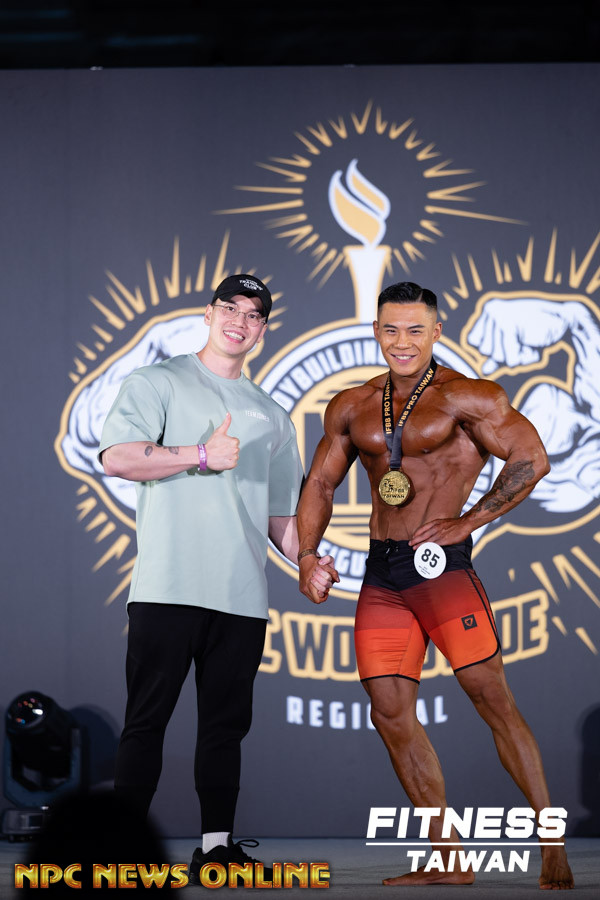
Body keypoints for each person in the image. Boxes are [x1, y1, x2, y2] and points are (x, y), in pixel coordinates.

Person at [297, 281, 574, 889]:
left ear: (436, 332)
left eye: (416, 330)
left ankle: (552, 844)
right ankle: (449, 857)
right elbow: (320, 483)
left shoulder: (467, 396)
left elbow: (531, 458)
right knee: (389, 714)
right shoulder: (352, 405)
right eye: (391, 329)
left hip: (442, 571)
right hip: (382, 576)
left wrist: (467, 521)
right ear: (377, 331)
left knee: (491, 698)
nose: (403, 342)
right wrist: (308, 555)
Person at [99, 274, 336, 882]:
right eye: (230, 307)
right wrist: (201, 455)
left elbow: (280, 518)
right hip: (167, 588)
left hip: (241, 598)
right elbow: (118, 457)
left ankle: (217, 848)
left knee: (225, 729)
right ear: (208, 314)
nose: (240, 320)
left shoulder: (273, 416)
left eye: (254, 314)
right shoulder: (158, 381)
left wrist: (308, 561)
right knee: (146, 722)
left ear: (263, 330)